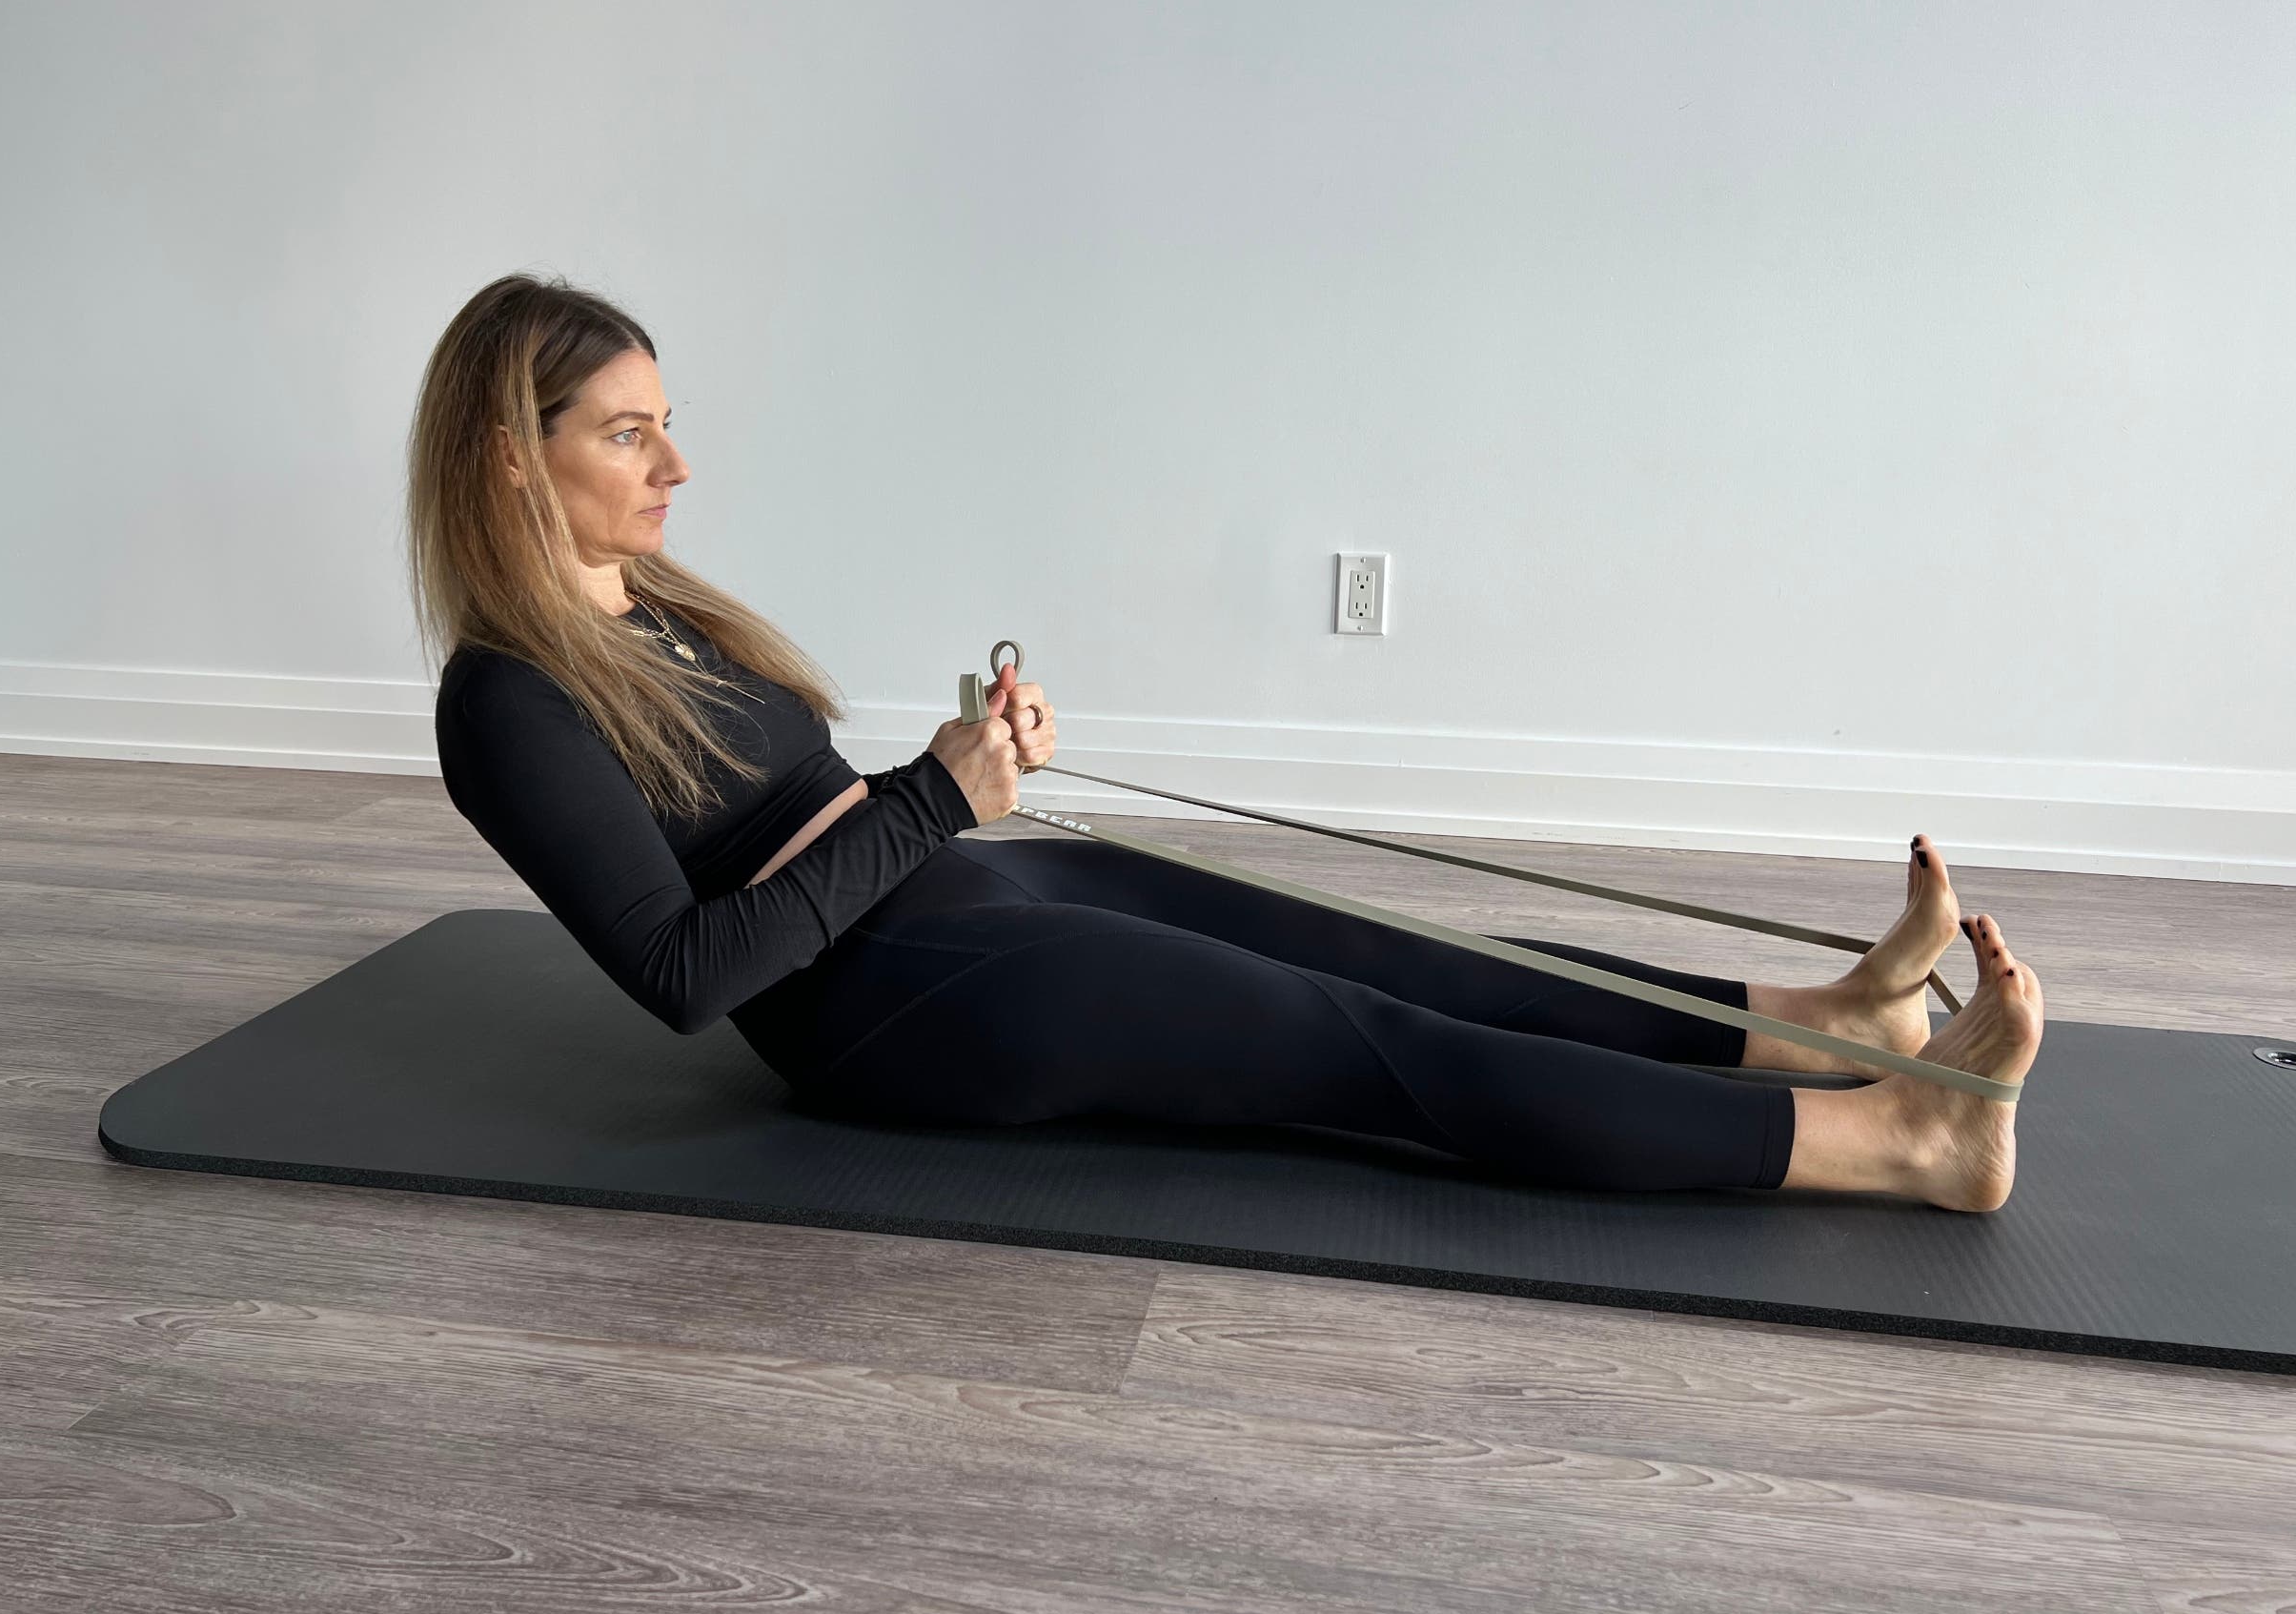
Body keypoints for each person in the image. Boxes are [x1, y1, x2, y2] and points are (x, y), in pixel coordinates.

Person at [411, 275, 2045, 1216]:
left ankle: (1822, 1016)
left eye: (665, 418)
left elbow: (805, 806)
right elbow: (693, 976)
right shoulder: (505, 699)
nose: (675, 460)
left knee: (1418, 952)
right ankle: (1899, 1140)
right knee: (1365, 1039)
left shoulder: (653, 601)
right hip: (889, 1011)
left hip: (949, 899)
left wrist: (956, 773)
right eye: (629, 433)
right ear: (506, 456)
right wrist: (932, 796)